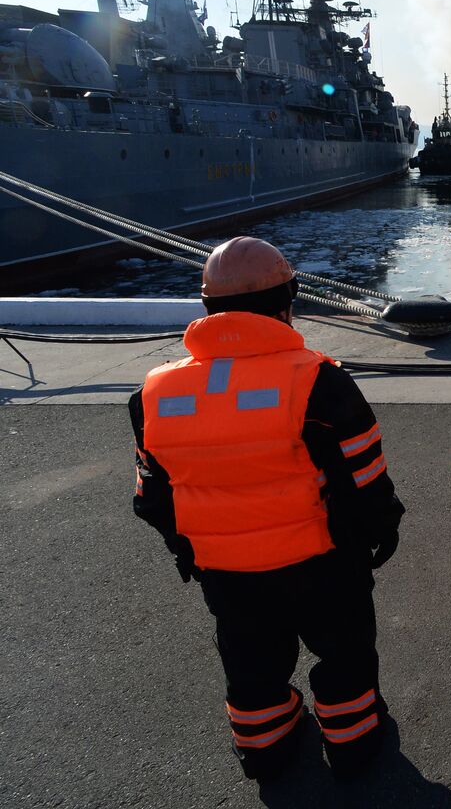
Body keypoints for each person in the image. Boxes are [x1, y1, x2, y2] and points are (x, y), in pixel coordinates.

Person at [131, 237, 404, 780]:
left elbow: (152, 496)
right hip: (320, 563)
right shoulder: (319, 380)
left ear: (207, 307)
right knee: (344, 655)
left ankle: (264, 747)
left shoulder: (154, 394)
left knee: (250, 662)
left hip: (226, 573)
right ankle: (353, 743)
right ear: (287, 301)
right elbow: (366, 477)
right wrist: (379, 531)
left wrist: (191, 546)